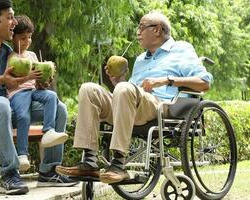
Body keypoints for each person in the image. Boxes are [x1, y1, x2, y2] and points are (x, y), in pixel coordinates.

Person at [56, 11, 213, 184]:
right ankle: (89, 161)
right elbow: (127, 94)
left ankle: (118, 163)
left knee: (124, 88)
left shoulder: (181, 49)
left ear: (158, 30)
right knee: (89, 89)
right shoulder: (140, 59)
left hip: (162, 106)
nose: (137, 31)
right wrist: (117, 82)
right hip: (136, 106)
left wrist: (166, 80)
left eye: (142, 26)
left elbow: (204, 82)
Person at [0, 0, 77, 195]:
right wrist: (1, 79)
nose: (14, 22)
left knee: (59, 108)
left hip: (4, 108)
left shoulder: (7, 52)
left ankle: (49, 171)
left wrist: (39, 80)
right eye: (10, 17)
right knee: (1, 104)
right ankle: (10, 173)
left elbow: (13, 83)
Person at [7, 15, 68, 172]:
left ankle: (48, 131)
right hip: (18, 93)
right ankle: (22, 154)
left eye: (29, 37)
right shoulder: (11, 58)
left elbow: (37, 83)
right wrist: (29, 76)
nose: (27, 41)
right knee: (24, 116)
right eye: (22, 38)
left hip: (33, 91)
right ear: (12, 38)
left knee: (52, 97)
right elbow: (8, 83)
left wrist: (43, 81)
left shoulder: (32, 56)